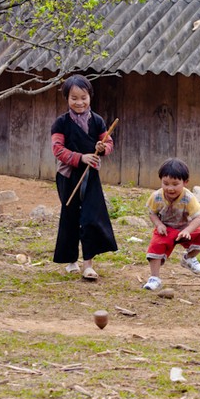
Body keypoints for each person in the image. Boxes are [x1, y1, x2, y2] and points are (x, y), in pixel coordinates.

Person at [51, 74, 118, 280]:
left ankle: (88, 263)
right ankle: (71, 261)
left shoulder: (97, 121)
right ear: (66, 99)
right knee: (70, 217)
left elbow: (108, 143)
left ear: (90, 97)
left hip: (91, 177)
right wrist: (81, 157)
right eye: (74, 98)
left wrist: (102, 148)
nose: (79, 102)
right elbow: (57, 149)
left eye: (83, 97)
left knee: (91, 217)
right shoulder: (60, 123)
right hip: (68, 176)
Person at [143, 158, 200, 291]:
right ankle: (154, 277)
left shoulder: (188, 198)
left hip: (184, 228)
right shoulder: (156, 196)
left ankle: (189, 259)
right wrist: (158, 225)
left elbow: (198, 218)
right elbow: (152, 213)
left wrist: (188, 230)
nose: (170, 188)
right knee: (156, 245)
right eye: (166, 183)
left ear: (185, 182)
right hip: (166, 229)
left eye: (175, 184)